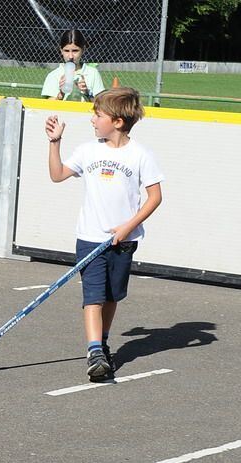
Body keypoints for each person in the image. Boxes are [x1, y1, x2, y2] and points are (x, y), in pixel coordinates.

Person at [45, 87, 163, 380]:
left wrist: (127, 226)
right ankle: (95, 351)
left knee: (112, 296)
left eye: (98, 115)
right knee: (93, 296)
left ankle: (104, 341)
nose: (93, 120)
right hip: (90, 238)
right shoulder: (88, 150)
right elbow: (57, 174)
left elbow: (155, 197)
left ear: (118, 122)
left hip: (124, 241)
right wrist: (55, 142)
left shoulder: (140, 155)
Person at [42, 29, 105, 102]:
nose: (71, 56)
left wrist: (87, 94)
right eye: (66, 51)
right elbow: (48, 107)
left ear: (83, 50)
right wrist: (60, 95)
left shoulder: (92, 73)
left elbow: (101, 105)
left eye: (75, 51)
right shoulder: (53, 75)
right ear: (61, 51)